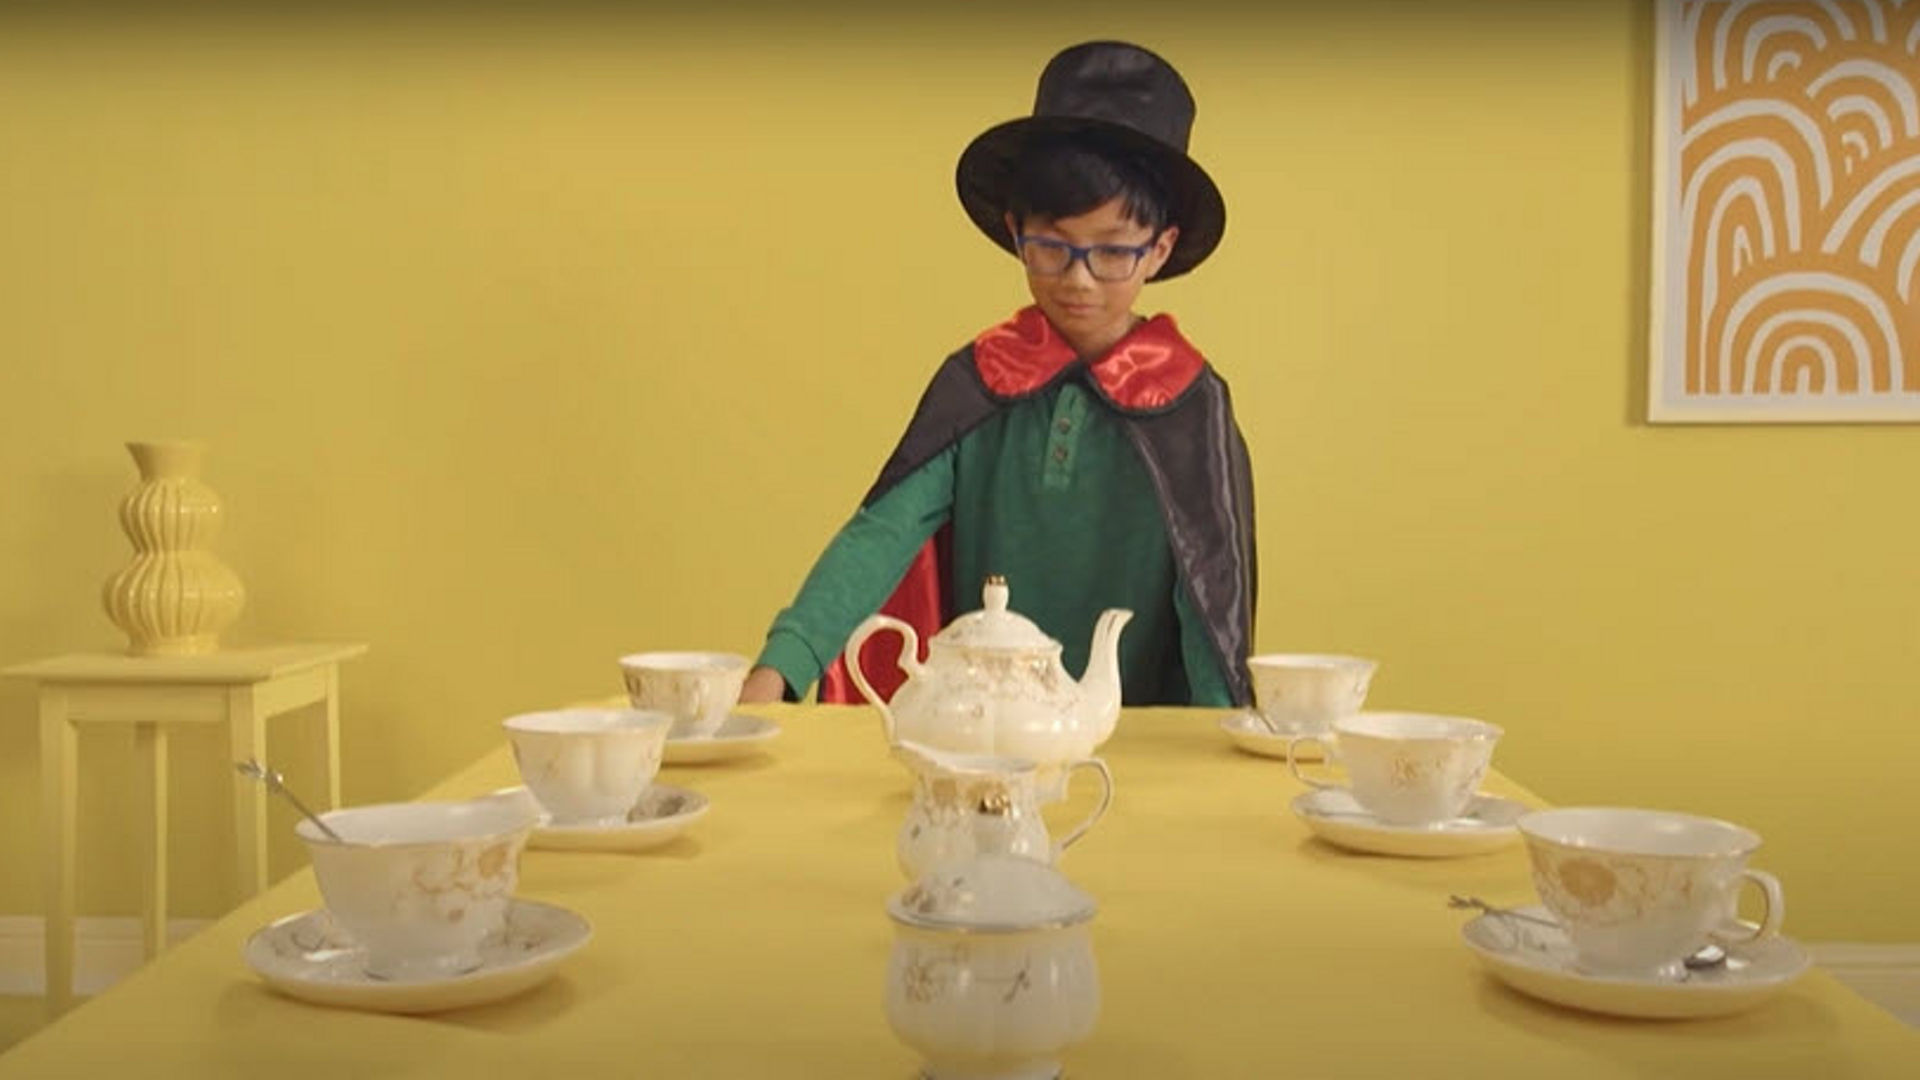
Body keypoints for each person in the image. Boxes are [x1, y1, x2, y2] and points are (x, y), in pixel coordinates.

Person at [739, 40, 1256, 709]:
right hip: (979, 737)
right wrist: (782, 666)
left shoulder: (1188, 401)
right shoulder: (981, 378)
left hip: (1142, 747)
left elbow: (1212, 600)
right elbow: (881, 533)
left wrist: (1218, 744)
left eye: (1111, 252)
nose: (1077, 279)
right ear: (1016, 232)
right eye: (1051, 247)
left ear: (1158, 249)